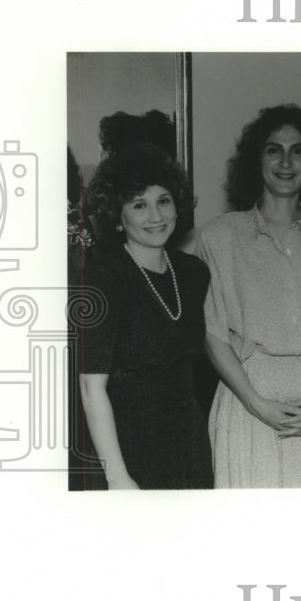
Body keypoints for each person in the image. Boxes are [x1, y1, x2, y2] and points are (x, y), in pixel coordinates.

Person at [197, 104, 301, 488]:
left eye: (298, 150)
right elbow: (212, 334)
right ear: (256, 160)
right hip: (249, 402)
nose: (286, 161)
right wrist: (256, 403)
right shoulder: (219, 237)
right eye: (274, 149)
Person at [77, 144, 213, 490]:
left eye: (163, 201)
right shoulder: (105, 277)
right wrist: (118, 477)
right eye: (139, 205)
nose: (156, 216)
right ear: (117, 218)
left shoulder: (193, 272)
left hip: (190, 446)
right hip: (129, 450)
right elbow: (91, 388)